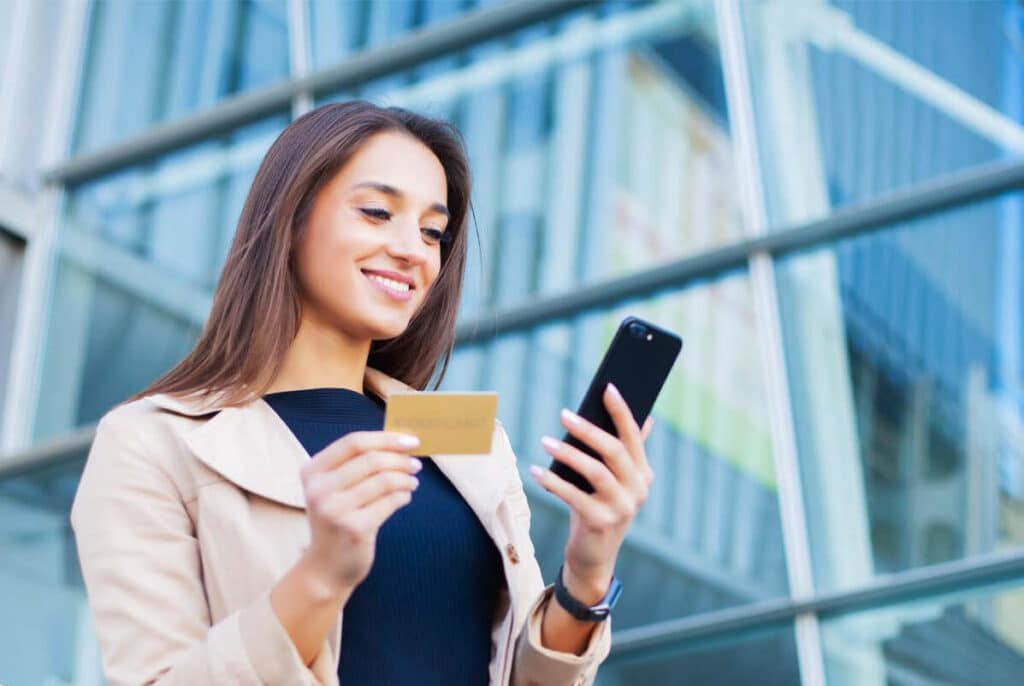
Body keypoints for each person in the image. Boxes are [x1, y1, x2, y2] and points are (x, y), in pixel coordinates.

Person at [70, 101, 656, 686]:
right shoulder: (153, 443)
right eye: (377, 213)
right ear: (291, 218)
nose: (414, 250)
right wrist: (321, 575)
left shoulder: (465, 443)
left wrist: (587, 570)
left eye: (434, 232)